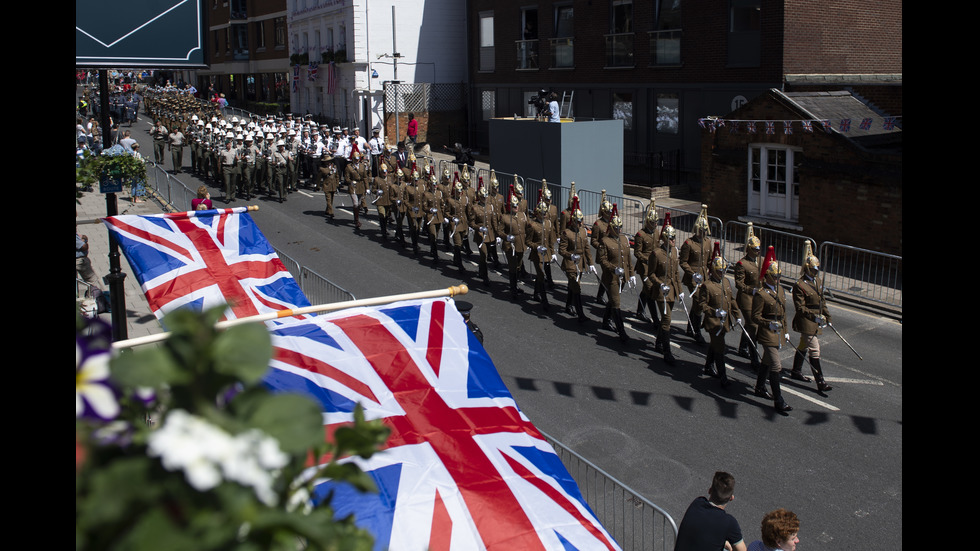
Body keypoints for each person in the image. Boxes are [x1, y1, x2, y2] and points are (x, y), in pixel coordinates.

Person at [752, 246, 793, 413]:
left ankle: (760, 387)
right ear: (768, 276)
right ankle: (779, 400)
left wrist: (786, 330)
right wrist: (768, 324)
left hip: (778, 331)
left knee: (766, 362)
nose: (777, 279)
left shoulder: (781, 290)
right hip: (767, 332)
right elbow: (755, 317)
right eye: (775, 276)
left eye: (779, 276)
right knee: (776, 366)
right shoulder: (761, 294)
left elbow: (783, 314)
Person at [697, 242, 742, 389]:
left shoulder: (726, 282)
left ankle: (708, 365)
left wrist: (737, 315)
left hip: (725, 321)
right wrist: (713, 312)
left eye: (723, 271)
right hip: (714, 322)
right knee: (720, 348)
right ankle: (723, 377)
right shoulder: (707, 286)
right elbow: (702, 305)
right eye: (719, 271)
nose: (722, 273)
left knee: (716, 344)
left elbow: (731, 300)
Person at [790, 240, 833, 392]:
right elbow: (800, 307)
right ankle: (820, 381)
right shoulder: (799, 285)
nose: (815, 272)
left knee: (803, 345)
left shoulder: (818, 281)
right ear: (807, 268)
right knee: (814, 349)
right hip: (806, 320)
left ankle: (795, 370)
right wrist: (814, 316)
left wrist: (827, 316)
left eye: (817, 270)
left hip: (816, 318)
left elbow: (822, 300)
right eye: (813, 270)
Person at [673, 472, 747, 551]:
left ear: (710, 490)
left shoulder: (697, 503)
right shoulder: (729, 523)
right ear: (731, 498)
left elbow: (704, 530)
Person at [597, 204, 634, 343]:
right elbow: (602, 260)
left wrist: (630, 274)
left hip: (622, 277)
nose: (619, 230)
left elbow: (628, 259)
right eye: (616, 228)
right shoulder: (605, 241)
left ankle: (606, 321)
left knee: (613, 300)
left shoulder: (624, 239)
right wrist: (613, 269)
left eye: (620, 228)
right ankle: (622, 331)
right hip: (611, 277)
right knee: (616, 303)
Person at [647, 213, 681, 364]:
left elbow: (676, 273)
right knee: (667, 319)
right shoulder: (656, 254)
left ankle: (658, 343)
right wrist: (659, 284)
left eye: (674, 237)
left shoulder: (674, 251)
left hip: (672, 290)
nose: (674, 240)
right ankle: (667, 353)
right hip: (661, 290)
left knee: (664, 320)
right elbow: (651, 274)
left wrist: (679, 290)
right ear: (665, 239)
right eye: (671, 238)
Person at [680, 204, 713, 345]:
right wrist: (692, 274)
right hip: (692, 277)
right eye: (701, 230)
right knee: (699, 301)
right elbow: (683, 262)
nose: (703, 233)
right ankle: (697, 332)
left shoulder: (707, 243)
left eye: (705, 231)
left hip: (704, 276)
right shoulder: (689, 243)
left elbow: (709, 260)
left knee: (697, 303)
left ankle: (690, 327)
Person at [559, 195, 594, 323]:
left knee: (572, 286)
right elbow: (561, 250)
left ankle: (568, 305)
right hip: (570, 263)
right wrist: (570, 255)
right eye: (578, 221)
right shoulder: (566, 233)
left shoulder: (583, 232)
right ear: (573, 221)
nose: (580, 223)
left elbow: (586, 248)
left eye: (581, 220)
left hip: (580, 263)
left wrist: (591, 263)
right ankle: (581, 314)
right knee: (577, 288)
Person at [734, 223, 763, 372]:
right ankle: (754, 358)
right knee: (753, 326)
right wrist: (751, 290)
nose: (757, 252)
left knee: (749, 324)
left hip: (757, 299)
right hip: (746, 298)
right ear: (749, 249)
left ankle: (742, 347)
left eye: (758, 249)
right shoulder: (742, 264)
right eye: (755, 249)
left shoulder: (760, 263)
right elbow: (739, 284)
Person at [633, 199, 659, 323]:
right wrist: (647, 260)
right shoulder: (640, 235)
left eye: (657, 222)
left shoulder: (656, 233)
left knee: (645, 290)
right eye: (653, 222)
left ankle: (640, 311)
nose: (655, 225)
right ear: (648, 222)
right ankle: (655, 319)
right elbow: (637, 252)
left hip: (654, 267)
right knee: (649, 289)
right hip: (644, 266)